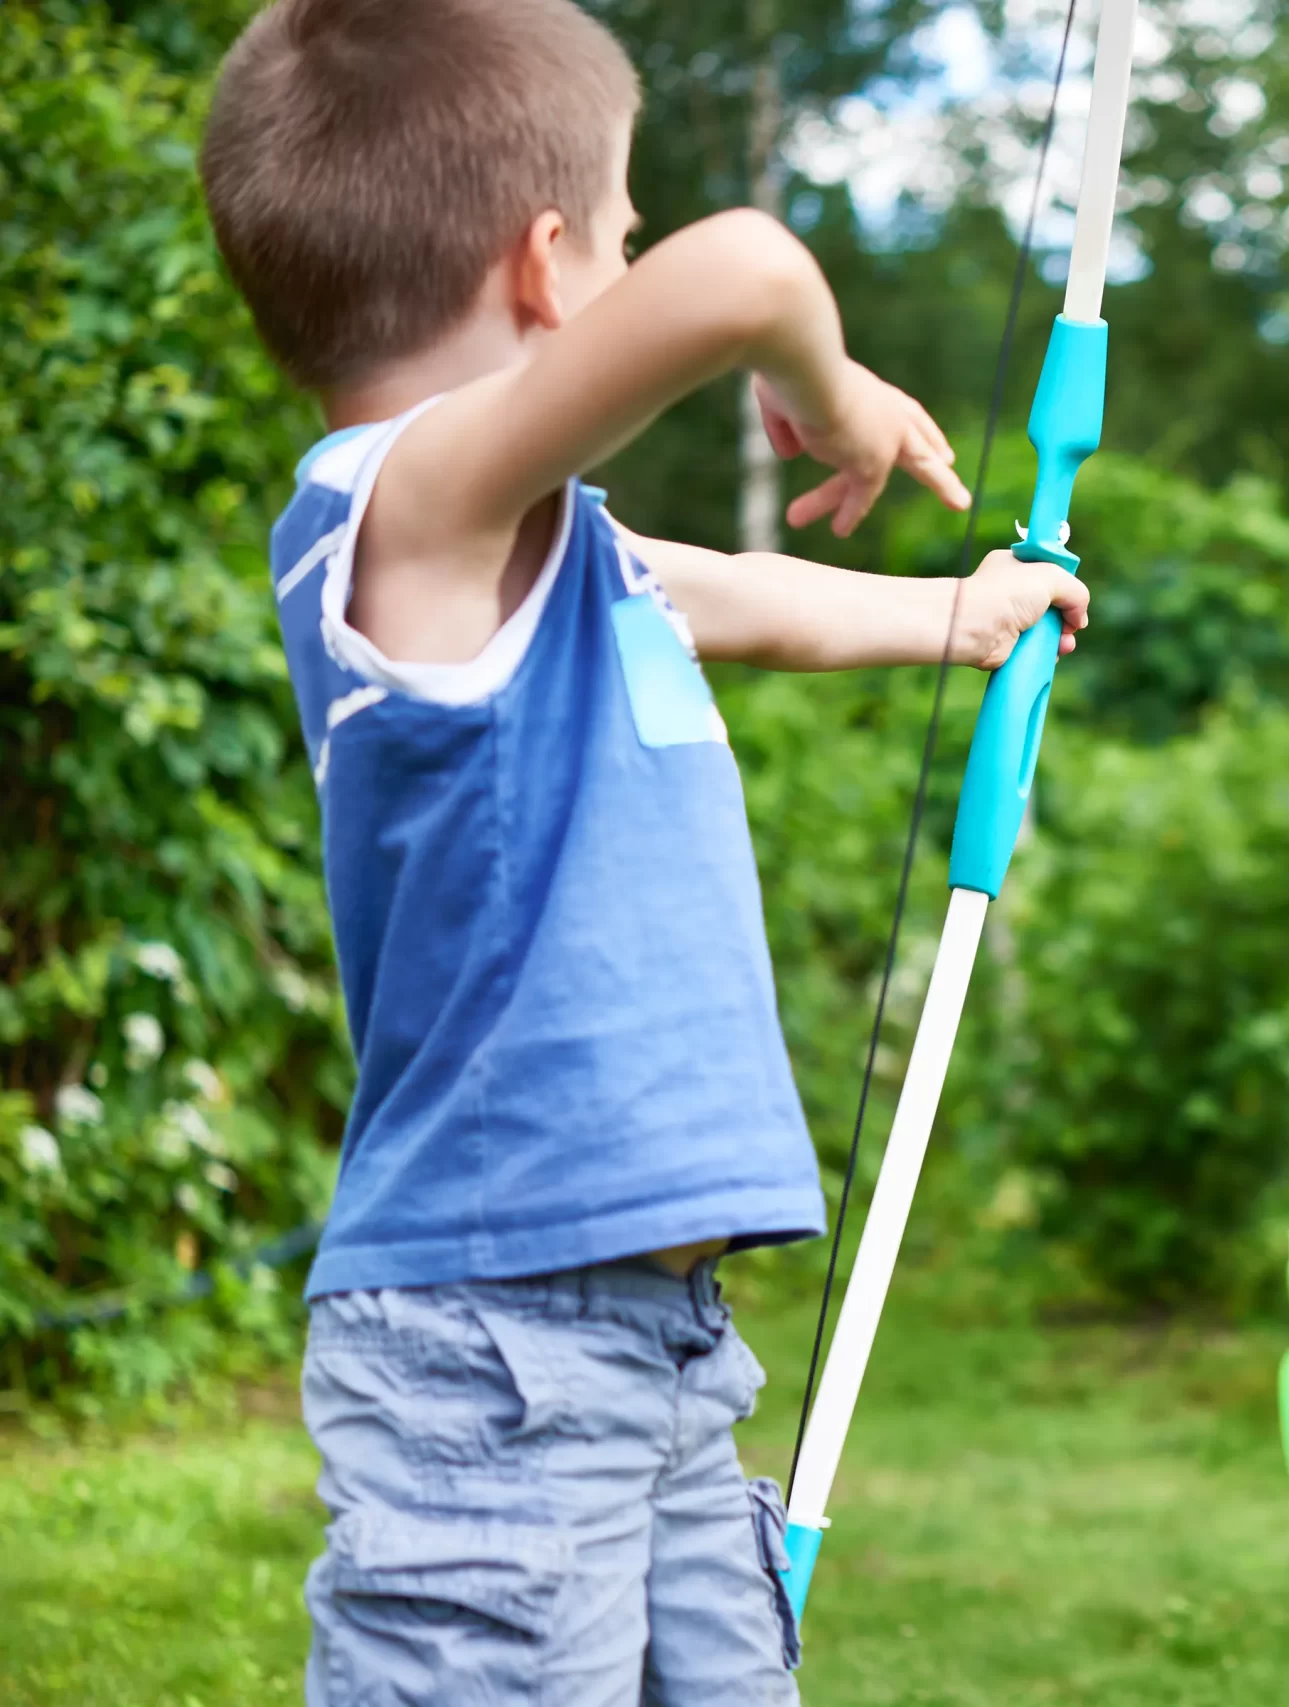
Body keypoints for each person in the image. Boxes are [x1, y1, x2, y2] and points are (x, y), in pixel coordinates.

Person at [197, 1, 1089, 1700]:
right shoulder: (405, 515)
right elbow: (749, 269)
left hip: (652, 1342)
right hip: (496, 1351)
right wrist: (821, 389)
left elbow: (732, 594)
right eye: (620, 238)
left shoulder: (543, 550)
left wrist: (957, 616)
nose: (635, 264)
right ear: (545, 268)